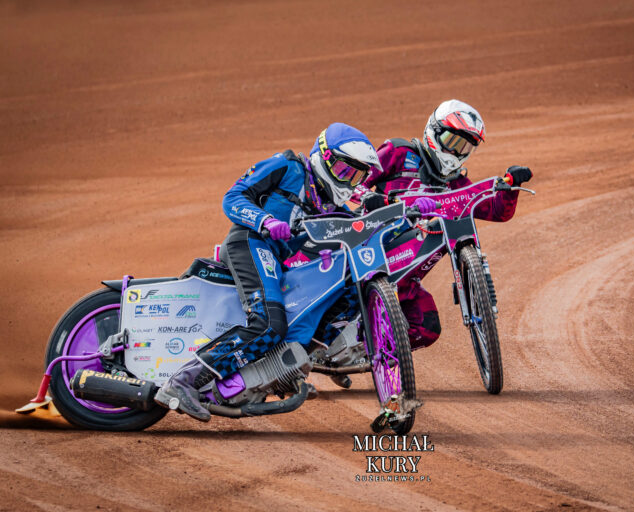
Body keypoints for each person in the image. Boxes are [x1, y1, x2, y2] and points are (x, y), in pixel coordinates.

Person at [154, 122, 384, 421]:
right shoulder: (288, 166)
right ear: (323, 156)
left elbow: (363, 224)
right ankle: (181, 382)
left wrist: (410, 209)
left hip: (279, 261)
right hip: (250, 242)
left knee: (347, 291)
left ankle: (289, 365)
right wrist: (265, 221)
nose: (348, 181)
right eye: (344, 171)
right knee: (268, 324)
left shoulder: (331, 205)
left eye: (356, 176)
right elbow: (233, 196)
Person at [357, 99, 533, 351]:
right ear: (434, 131)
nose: (455, 152)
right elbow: (355, 181)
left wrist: (511, 187)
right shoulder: (398, 152)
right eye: (452, 141)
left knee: (427, 328)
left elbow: (495, 211)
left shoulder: (456, 182)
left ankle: (376, 354)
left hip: (404, 281)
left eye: (463, 147)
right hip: (367, 255)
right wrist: (370, 197)